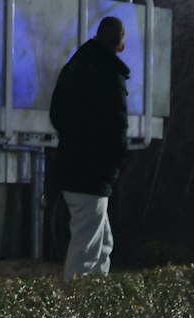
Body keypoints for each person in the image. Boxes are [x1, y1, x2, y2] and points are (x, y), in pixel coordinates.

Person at [50, 17, 131, 279]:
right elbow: (117, 131)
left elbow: (57, 114)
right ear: (120, 43)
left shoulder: (74, 66)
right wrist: (112, 168)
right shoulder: (111, 75)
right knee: (87, 245)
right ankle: (78, 306)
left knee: (101, 240)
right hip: (93, 175)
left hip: (70, 167)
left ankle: (95, 301)